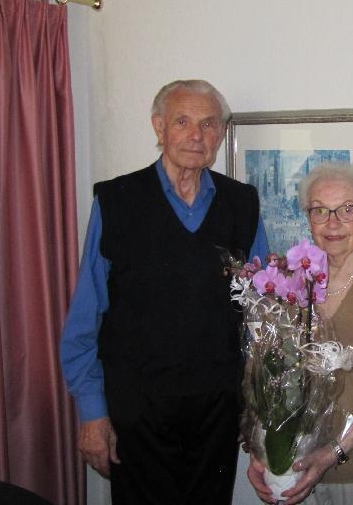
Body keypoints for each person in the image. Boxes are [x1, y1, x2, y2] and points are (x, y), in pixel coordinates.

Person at [60, 79, 269, 505]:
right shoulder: (117, 201)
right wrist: (92, 411)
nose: (196, 135)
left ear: (221, 134)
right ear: (159, 128)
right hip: (136, 408)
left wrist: (259, 400)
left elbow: (260, 315)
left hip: (216, 407)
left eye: (209, 124)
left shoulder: (242, 204)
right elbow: (86, 314)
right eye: (182, 121)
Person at [247, 162, 353, 505]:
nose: (333, 223)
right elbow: (269, 380)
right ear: (308, 218)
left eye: (346, 210)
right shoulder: (288, 287)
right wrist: (261, 450)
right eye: (320, 210)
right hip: (293, 467)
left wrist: (332, 452)